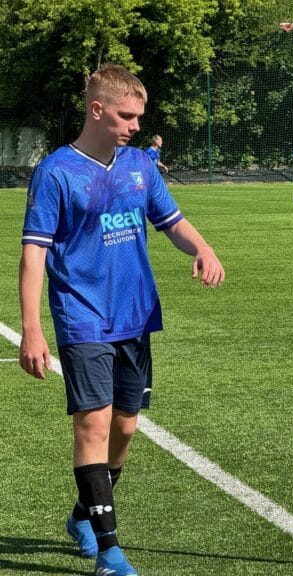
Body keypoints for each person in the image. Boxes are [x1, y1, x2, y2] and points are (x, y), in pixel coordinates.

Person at [18, 63, 225, 576]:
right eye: (126, 115)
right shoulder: (56, 173)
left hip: (136, 315)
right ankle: (110, 550)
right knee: (93, 424)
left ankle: (83, 512)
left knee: (126, 428)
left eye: (138, 116)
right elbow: (34, 255)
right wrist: (33, 328)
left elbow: (171, 222)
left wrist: (201, 247)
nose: (135, 125)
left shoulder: (140, 166)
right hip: (83, 316)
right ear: (97, 110)